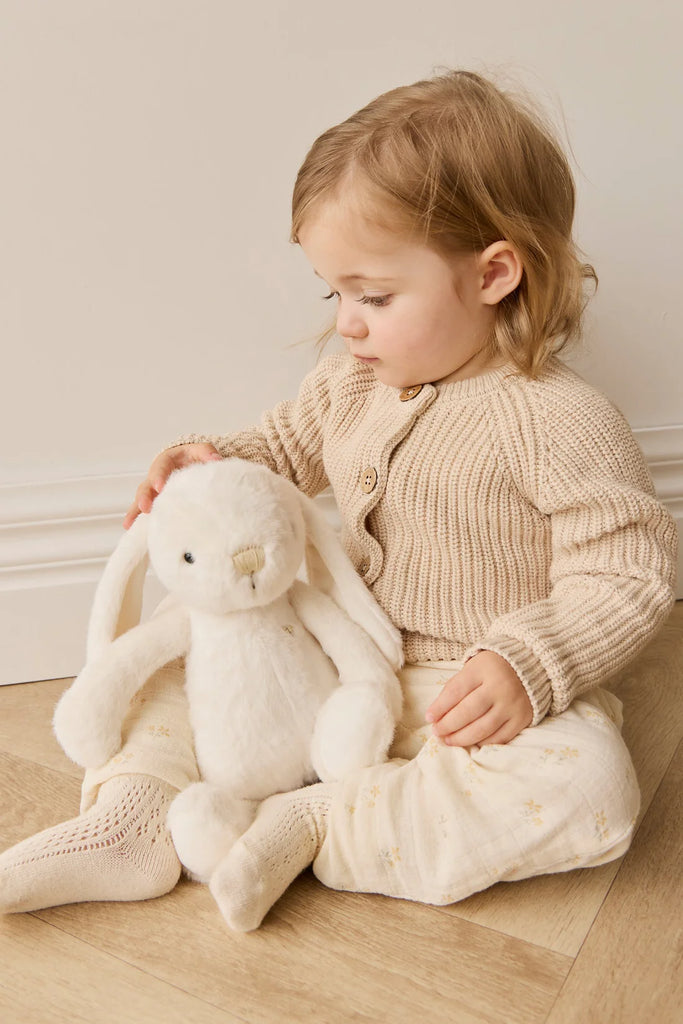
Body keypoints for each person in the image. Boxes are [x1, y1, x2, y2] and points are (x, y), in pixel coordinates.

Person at [0, 70, 677, 930]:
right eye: (336, 293)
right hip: (318, 655)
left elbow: (627, 571)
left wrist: (532, 662)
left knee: (589, 784)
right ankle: (132, 813)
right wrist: (212, 465)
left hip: (461, 694)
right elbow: (279, 448)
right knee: (186, 636)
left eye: (374, 297)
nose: (347, 322)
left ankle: (320, 821)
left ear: (493, 274)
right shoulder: (349, 383)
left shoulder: (559, 419)